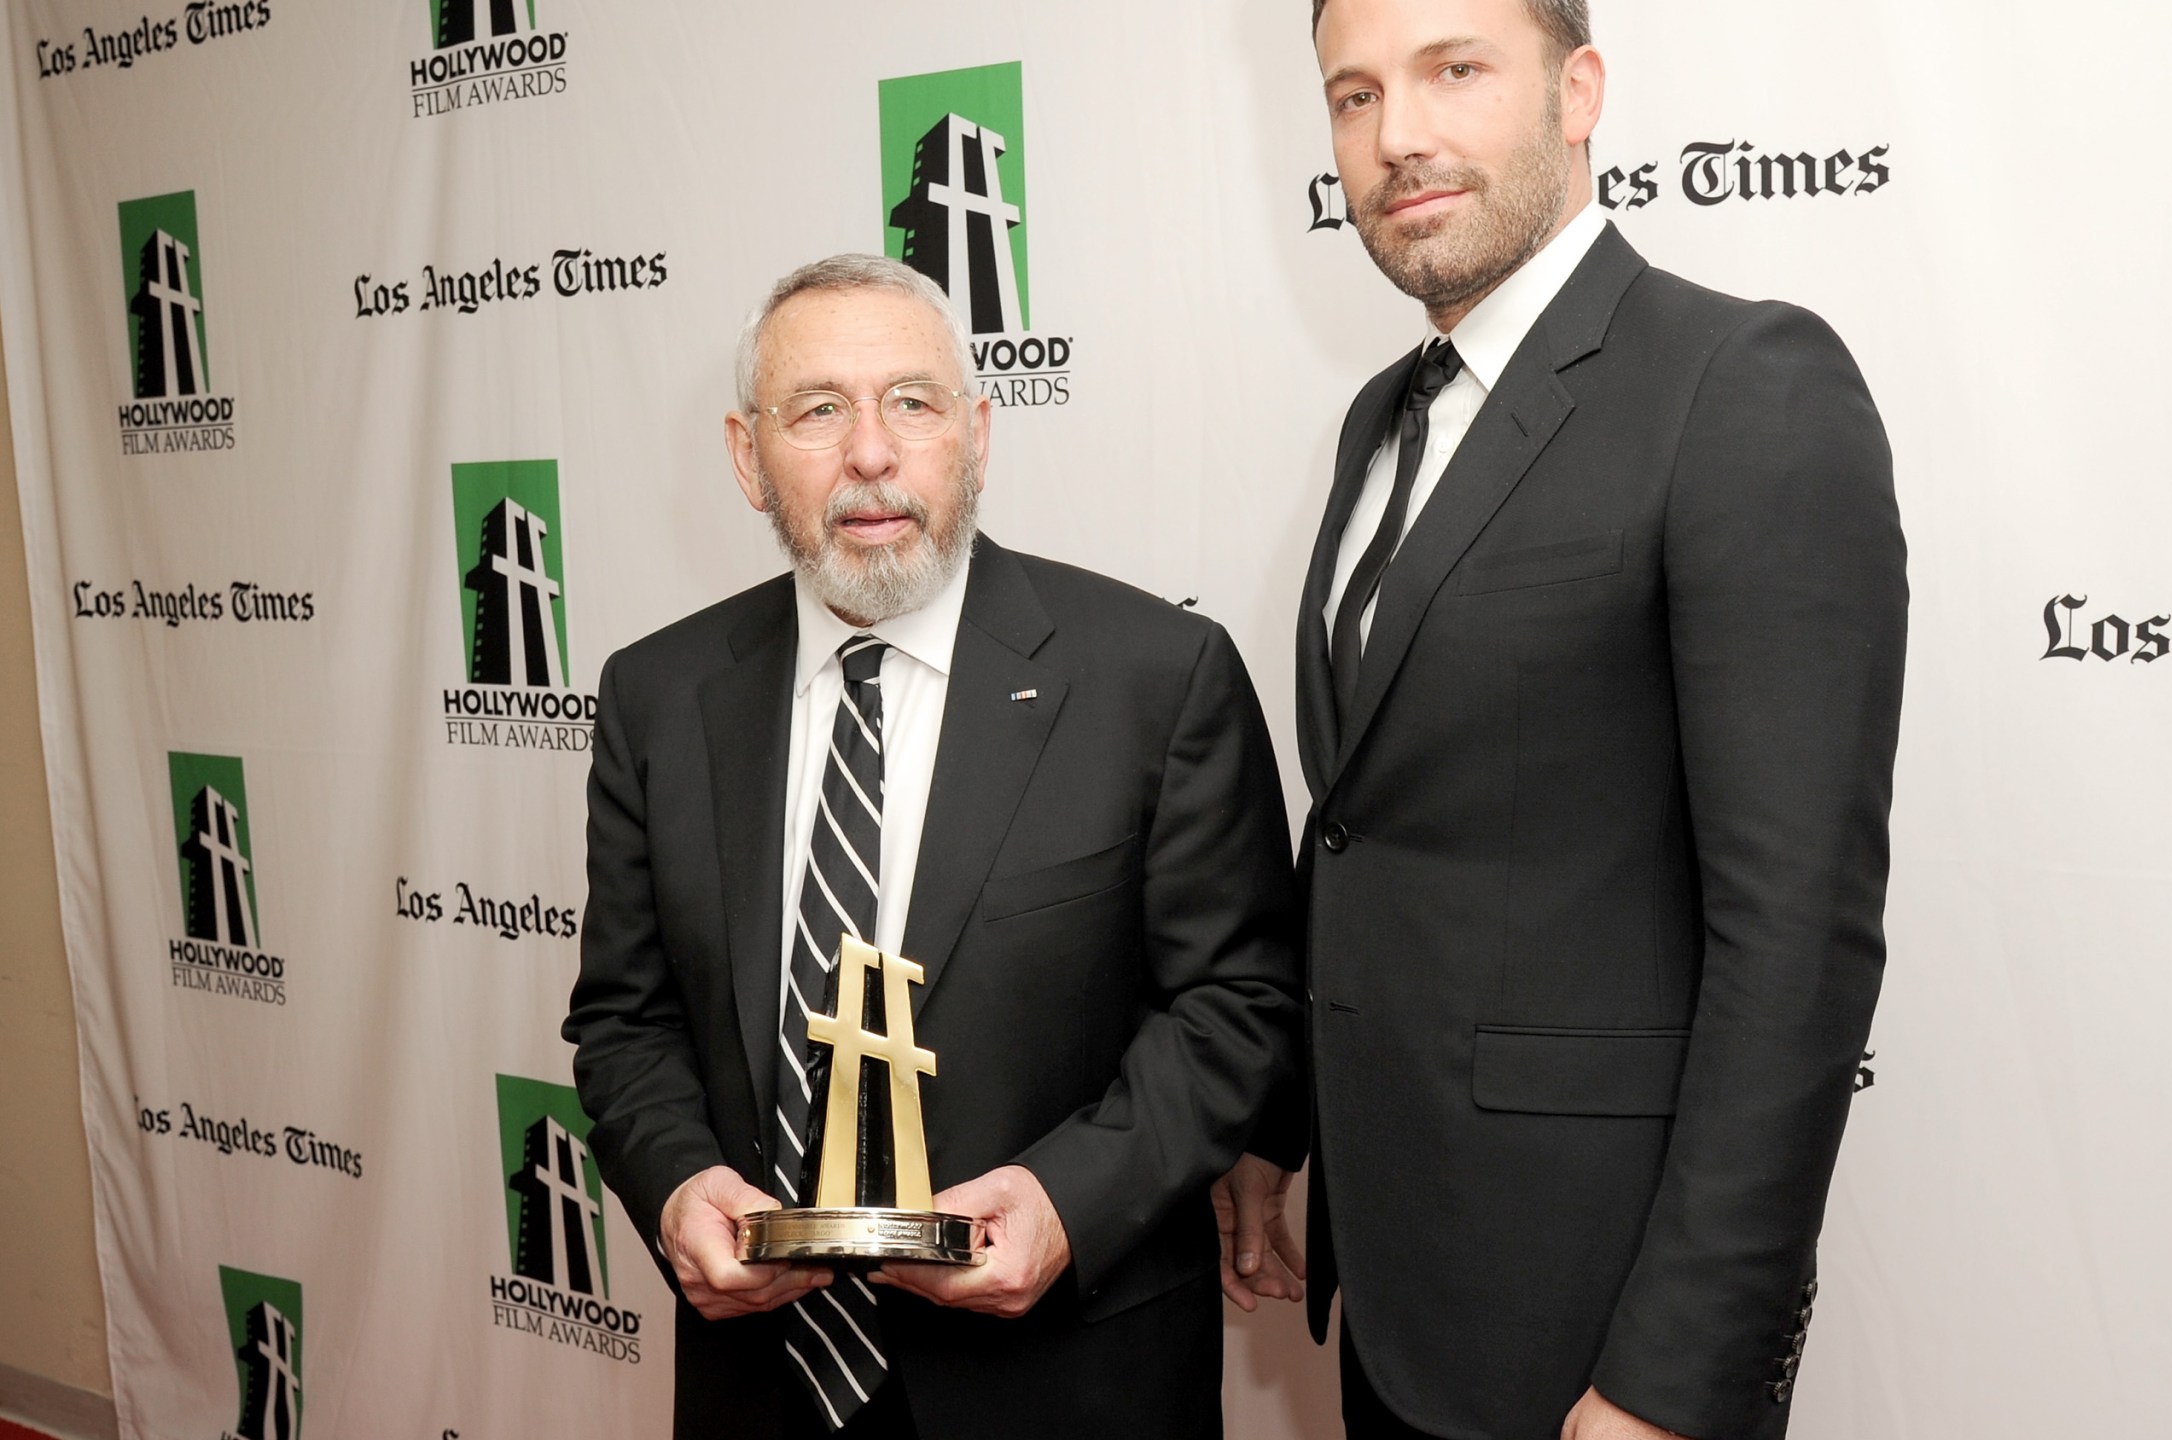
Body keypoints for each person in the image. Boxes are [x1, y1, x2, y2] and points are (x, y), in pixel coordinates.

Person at [1213, 2, 1908, 1437]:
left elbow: (1797, 942)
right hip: (1393, 1283)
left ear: (1578, 90)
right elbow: (1364, 825)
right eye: (1355, 95)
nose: (1397, 134)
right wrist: (1285, 1134)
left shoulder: (1742, 387)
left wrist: (1674, 1377)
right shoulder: (1379, 421)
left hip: (1600, 1325)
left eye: (1454, 71)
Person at [564, 253, 1302, 1440]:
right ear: (748, 457)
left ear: (977, 431)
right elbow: (624, 1022)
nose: (870, 453)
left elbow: (1240, 1004)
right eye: (817, 411)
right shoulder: (659, 696)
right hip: (764, 1380)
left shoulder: (1153, 679)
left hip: (1072, 1382)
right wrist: (678, 1189)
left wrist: (1068, 1202)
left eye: (911, 402)